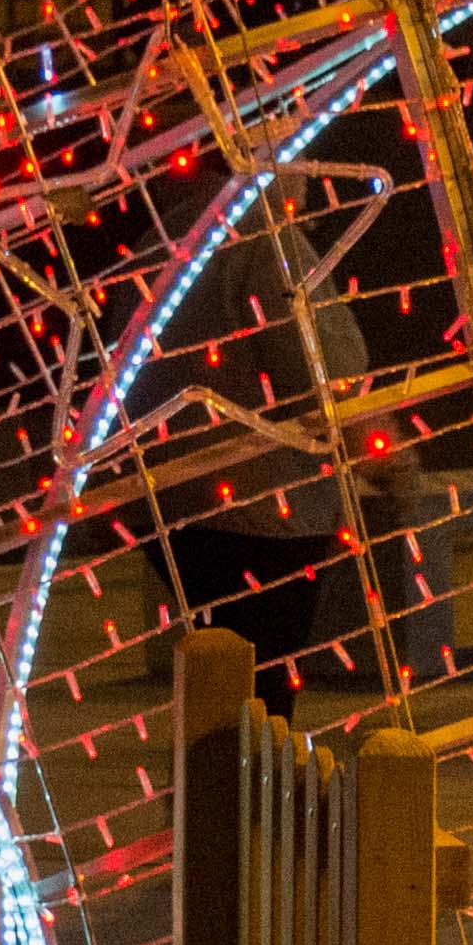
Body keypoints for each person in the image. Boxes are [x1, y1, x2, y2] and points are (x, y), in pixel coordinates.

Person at [148, 181, 372, 707]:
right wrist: (379, 445)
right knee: (262, 688)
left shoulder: (167, 233)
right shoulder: (268, 239)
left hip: (167, 497)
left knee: (218, 681)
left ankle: (209, 781)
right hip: (263, 505)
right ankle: (245, 783)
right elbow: (324, 374)